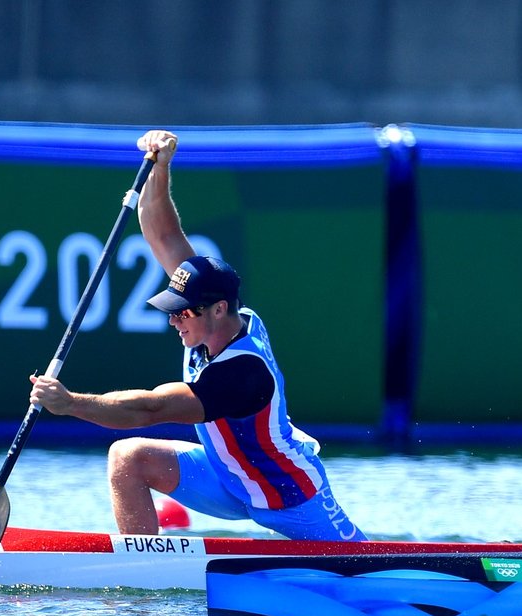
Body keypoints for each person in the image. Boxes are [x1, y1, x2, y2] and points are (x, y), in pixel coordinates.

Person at [29, 129, 365, 542]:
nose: (174, 321)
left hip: (289, 495)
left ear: (219, 310)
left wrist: (70, 403)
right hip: (225, 477)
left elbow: (150, 410)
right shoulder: (212, 306)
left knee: (368, 566)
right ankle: (146, 572)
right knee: (128, 459)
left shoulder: (243, 374)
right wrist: (161, 165)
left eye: (182, 312)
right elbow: (162, 234)